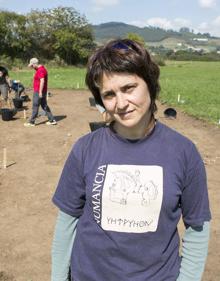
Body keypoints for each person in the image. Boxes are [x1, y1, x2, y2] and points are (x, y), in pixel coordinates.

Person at [51, 39, 211, 281]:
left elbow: (198, 229)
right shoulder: (85, 149)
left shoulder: (184, 153)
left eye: (129, 88)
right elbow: (67, 223)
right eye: (109, 94)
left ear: (150, 83)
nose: (122, 103)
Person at [24, 58, 56, 127]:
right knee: (44, 105)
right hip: (42, 91)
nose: (32, 67)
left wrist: (40, 92)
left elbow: (42, 81)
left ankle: (31, 122)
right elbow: (38, 73)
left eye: (32, 65)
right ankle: (52, 120)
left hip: (38, 91)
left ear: (35, 64)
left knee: (35, 106)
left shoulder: (40, 70)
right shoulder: (40, 68)